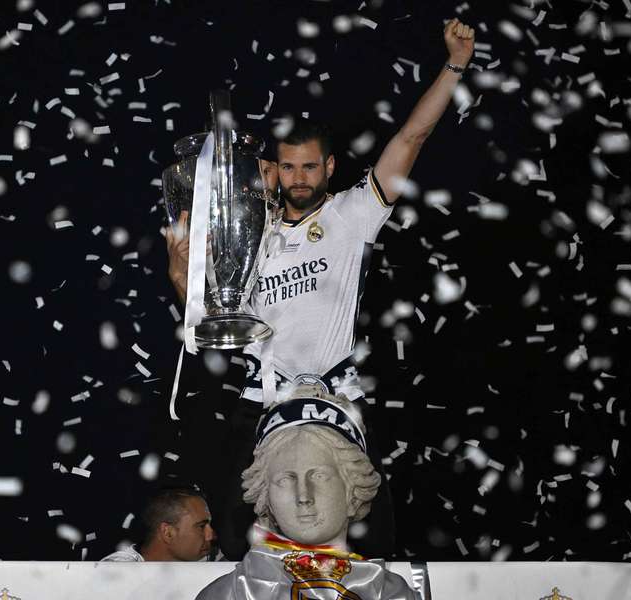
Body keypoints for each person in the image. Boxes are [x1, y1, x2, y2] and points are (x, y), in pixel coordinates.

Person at [166, 19, 476, 558]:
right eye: (289, 167)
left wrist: (455, 66)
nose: (300, 178)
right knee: (239, 529)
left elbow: (411, 137)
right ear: (273, 170)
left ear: (329, 166)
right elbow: (211, 324)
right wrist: (180, 279)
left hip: (339, 393)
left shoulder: (353, 214)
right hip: (262, 394)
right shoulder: (248, 231)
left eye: (310, 166)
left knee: (374, 531)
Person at [195, 388, 416, 600]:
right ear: (266, 499)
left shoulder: (393, 595)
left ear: (353, 490)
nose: (303, 496)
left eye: (319, 476)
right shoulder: (227, 595)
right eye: (285, 479)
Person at [102, 485, 216, 562]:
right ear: (168, 533)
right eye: (201, 526)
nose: (211, 535)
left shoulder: (212, 560)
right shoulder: (116, 572)